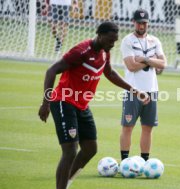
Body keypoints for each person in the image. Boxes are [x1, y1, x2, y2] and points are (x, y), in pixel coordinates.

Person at [38, 22, 149, 189]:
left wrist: (135, 91)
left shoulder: (105, 52)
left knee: (90, 148)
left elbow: (110, 73)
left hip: (82, 105)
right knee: (70, 150)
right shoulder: (81, 51)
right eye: (110, 40)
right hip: (63, 101)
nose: (112, 44)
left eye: (115, 41)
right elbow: (51, 71)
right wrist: (45, 103)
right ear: (99, 34)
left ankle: (65, 183)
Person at [119, 8, 167, 161]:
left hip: (152, 91)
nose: (142, 26)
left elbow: (163, 64)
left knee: (148, 128)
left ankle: (145, 161)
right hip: (133, 91)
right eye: (139, 23)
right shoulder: (127, 40)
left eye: (145, 23)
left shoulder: (155, 40)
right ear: (133, 22)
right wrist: (152, 60)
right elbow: (131, 66)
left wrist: (145, 59)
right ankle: (125, 161)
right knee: (128, 127)